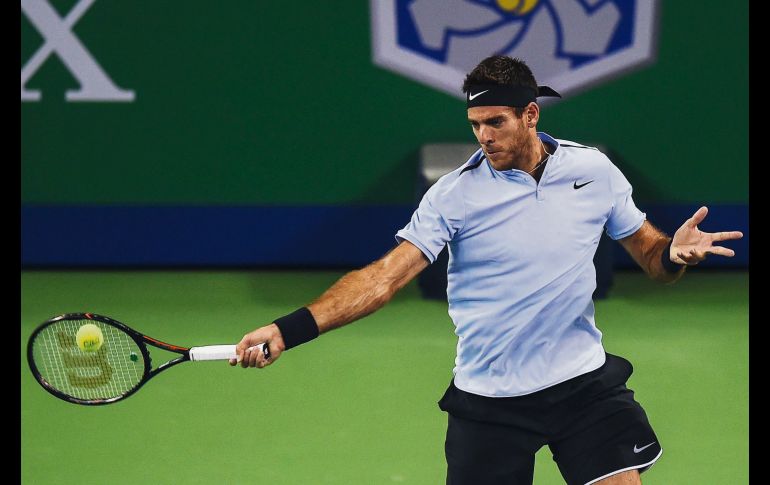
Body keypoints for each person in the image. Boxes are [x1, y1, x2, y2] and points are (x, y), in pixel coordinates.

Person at [229, 56, 743, 485]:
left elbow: (650, 254)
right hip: (491, 399)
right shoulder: (454, 195)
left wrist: (674, 254)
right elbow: (383, 278)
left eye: (496, 122)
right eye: (475, 125)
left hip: (583, 384)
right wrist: (287, 329)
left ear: (531, 115)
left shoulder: (592, 171)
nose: (484, 136)